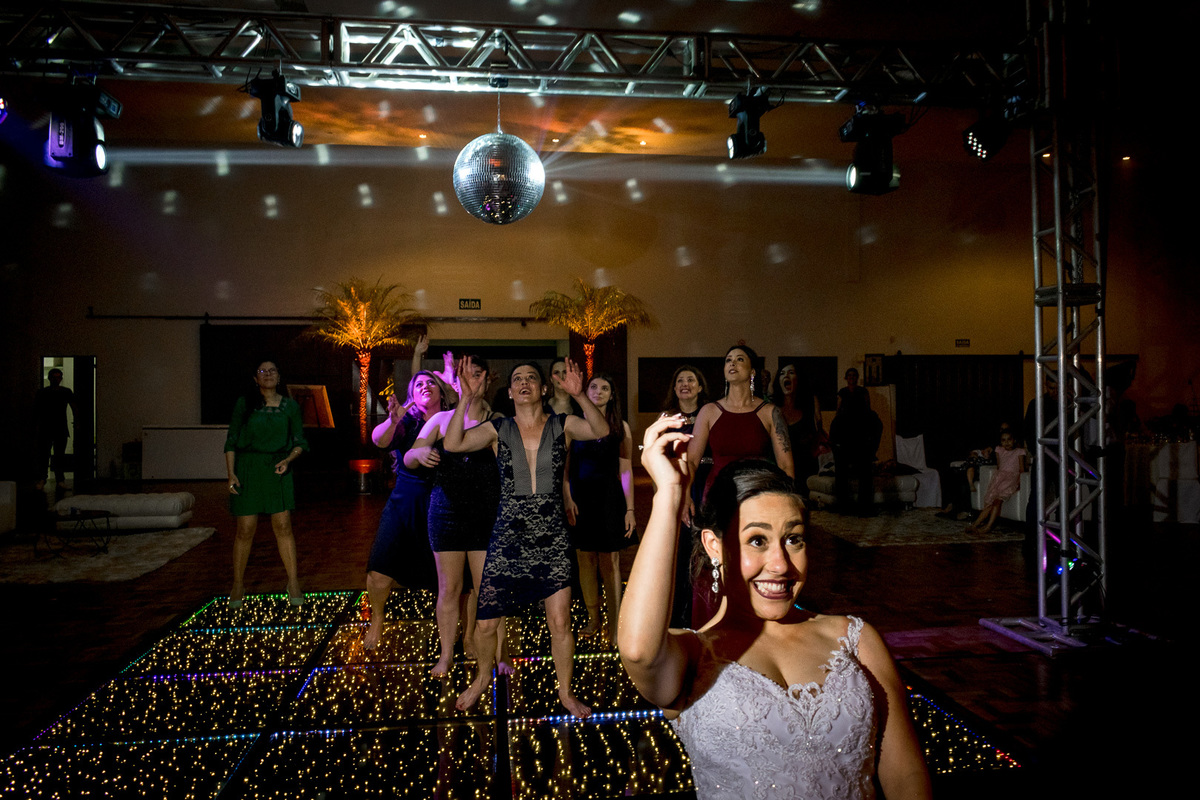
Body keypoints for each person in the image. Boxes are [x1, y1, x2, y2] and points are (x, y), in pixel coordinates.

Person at [620, 415, 932, 800]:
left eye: (794, 539)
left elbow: (906, 777)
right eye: (756, 541)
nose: (781, 564)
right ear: (715, 546)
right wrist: (668, 494)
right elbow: (638, 650)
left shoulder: (856, 640)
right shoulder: (691, 657)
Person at [444, 358, 609, 718]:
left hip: (551, 535)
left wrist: (580, 394)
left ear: (544, 388)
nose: (523, 383)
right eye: (517, 379)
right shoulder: (496, 428)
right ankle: (482, 677)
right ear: (509, 391)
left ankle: (565, 692)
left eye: (531, 378)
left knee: (560, 621)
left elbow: (602, 430)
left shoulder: (563, 425)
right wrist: (465, 399)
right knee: (486, 623)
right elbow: (453, 444)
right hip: (508, 535)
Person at [407, 355, 506, 677]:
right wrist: (419, 452)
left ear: (488, 380)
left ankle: (497, 655)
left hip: (485, 515)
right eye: (464, 375)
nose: (471, 381)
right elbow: (409, 458)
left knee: (486, 590)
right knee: (449, 589)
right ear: (454, 382)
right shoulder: (440, 420)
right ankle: (447, 655)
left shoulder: (499, 420)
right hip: (445, 513)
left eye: (477, 375)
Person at [686, 343, 793, 626]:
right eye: (728, 360)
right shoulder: (709, 411)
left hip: (759, 497)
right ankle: (711, 627)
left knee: (755, 558)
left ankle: (754, 626)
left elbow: (786, 466)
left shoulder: (770, 412)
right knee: (715, 563)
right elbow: (692, 460)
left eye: (740, 359)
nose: (732, 363)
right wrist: (686, 495)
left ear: (752, 371)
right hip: (717, 497)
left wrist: (790, 507)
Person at [363, 369, 450, 650]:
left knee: (450, 578)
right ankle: (377, 619)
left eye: (431, 383)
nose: (425, 386)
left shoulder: (451, 419)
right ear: (412, 395)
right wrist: (392, 420)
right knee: (379, 571)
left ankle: (455, 631)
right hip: (404, 503)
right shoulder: (406, 422)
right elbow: (379, 440)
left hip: (441, 505)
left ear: (441, 391)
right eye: (419, 384)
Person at [224, 359, 309, 608]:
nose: (268, 374)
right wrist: (231, 474)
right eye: (262, 371)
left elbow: (300, 442)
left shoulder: (290, 406)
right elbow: (231, 441)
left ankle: (293, 582)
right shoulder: (245, 404)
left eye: (272, 371)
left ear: (279, 377)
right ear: (255, 379)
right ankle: (238, 584)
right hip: (248, 470)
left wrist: (288, 459)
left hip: (277, 469)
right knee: (245, 528)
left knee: (283, 526)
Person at [564, 373, 635, 642]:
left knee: (611, 562)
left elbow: (626, 469)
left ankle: (616, 625)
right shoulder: (573, 426)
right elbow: (565, 470)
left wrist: (630, 510)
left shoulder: (621, 427)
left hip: (609, 499)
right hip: (580, 498)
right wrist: (568, 497)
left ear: (612, 395)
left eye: (605, 388)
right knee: (585, 559)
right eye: (593, 387)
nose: (598, 392)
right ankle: (594, 619)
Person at [661, 364, 711, 629]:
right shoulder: (667, 419)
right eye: (680, 380)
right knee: (681, 556)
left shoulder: (712, 414)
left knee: (706, 553)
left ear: (700, 387)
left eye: (691, 380)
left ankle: (704, 611)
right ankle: (678, 616)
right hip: (678, 486)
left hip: (707, 484)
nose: (685, 384)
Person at [830, 367, 881, 516]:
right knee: (841, 473)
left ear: (857, 378)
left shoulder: (863, 392)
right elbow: (838, 411)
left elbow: (868, 409)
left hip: (860, 435)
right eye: (849, 375)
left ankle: (864, 506)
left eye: (854, 375)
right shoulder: (843, 393)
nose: (852, 378)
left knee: (865, 473)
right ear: (846, 377)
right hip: (845, 436)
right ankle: (843, 506)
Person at [770, 361, 823, 496]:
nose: (786, 376)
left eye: (791, 373)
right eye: (782, 374)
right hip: (779, 467)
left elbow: (817, 430)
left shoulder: (809, 403)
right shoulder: (771, 407)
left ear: (798, 379)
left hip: (804, 466)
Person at [967, 429, 1027, 534]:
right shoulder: (999, 450)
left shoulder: (1019, 452)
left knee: (997, 502)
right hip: (999, 478)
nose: (1006, 442)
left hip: (1011, 479)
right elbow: (999, 466)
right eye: (1003, 440)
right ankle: (976, 524)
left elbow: (1021, 469)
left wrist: (1019, 483)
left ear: (1014, 440)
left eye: (1009, 440)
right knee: (989, 503)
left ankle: (989, 526)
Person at [34, 367, 76, 489]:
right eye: (55, 377)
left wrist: (77, 421)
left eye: (58, 377)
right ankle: (50, 479)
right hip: (49, 427)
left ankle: (51, 479)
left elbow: (74, 407)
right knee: (46, 455)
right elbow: (36, 411)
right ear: (50, 378)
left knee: (57, 455)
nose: (57, 380)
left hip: (57, 427)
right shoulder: (45, 393)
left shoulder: (49, 392)